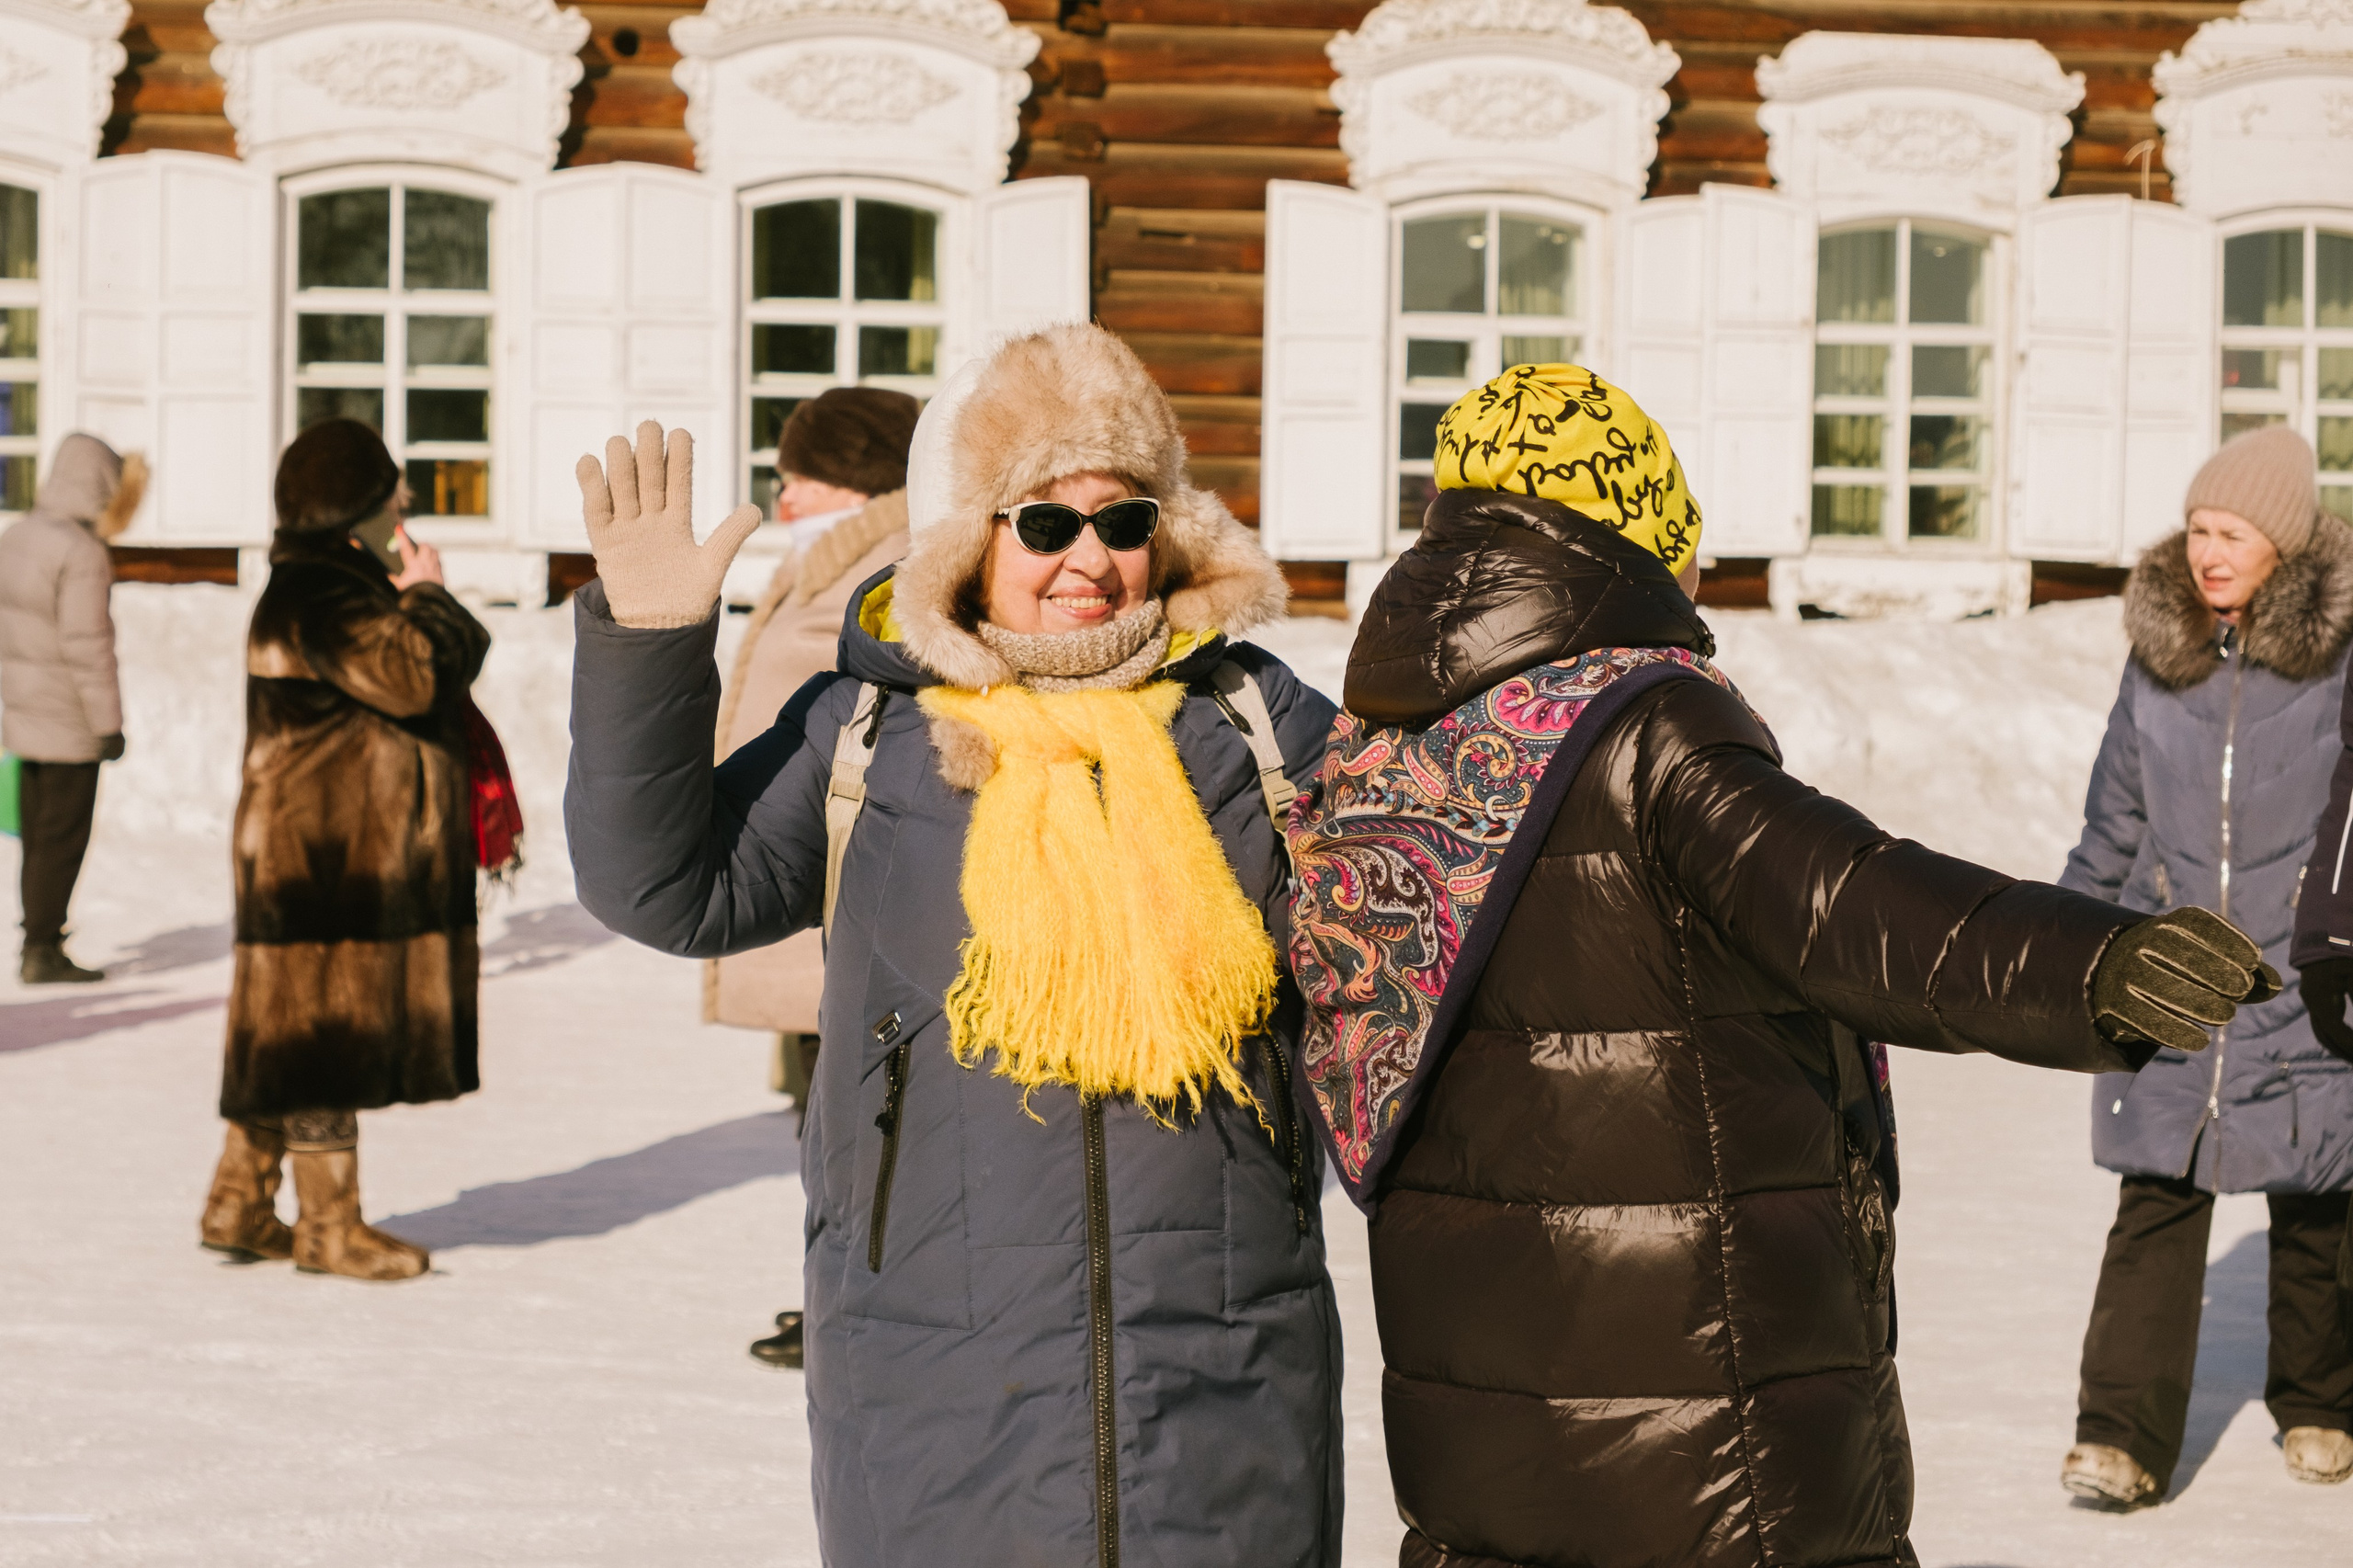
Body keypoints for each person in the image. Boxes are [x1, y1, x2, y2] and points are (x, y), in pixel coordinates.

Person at [1282, 363, 2274, 1568]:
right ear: (1635, 535)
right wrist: (2093, 961)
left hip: (1480, 1446)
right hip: (1707, 1434)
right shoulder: (1640, 725)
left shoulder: (1386, 738)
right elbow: (1846, 901)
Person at [565, 324, 1342, 1566]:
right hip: (932, 1366)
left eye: (1125, 518)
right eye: (1043, 521)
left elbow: (1410, 962)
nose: (1089, 558)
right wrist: (647, 647)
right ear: (964, 539)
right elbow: (664, 885)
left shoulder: (1256, 728)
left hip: (1221, 1366)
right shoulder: (870, 736)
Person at [2055, 425, 2353, 1503]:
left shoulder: (2338, 661)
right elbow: (2113, 820)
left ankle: (2320, 1399)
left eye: (2230, 531)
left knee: (2319, 1197)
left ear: (2282, 541)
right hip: (2172, 967)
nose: (2207, 551)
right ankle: (2117, 1436)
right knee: (2155, 1192)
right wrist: (2070, 942)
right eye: (2195, 529)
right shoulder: (2160, 657)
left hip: (2306, 971)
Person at [199, 418, 491, 1283]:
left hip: (315, 843)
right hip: (325, 854)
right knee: (321, 1030)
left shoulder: (326, 587)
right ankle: (328, 1227)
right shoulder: (325, 593)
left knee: (286, 1030)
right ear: (354, 508)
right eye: (390, 490)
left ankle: (238, 1202)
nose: (404, 502)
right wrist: (430, 594)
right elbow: (417, 676)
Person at [707, 388, 919, 1370]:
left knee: (857, 1122)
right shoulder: (839, 558)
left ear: (857, 478)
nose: (783, 498)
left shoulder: (884, 566)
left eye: (799, 478)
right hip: (801, 868)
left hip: (840, 884)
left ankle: (856, 1299)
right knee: (827, 1117)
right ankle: (831, 1291)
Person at [0, 433, 145, 983]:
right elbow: (88, 645)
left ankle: (36, 940)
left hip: (25, 712)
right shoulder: (81, 552)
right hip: (67, 721)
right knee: (62, 839)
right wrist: (109, 725)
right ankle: (42, 948)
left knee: (37, 837)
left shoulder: (17, 537)